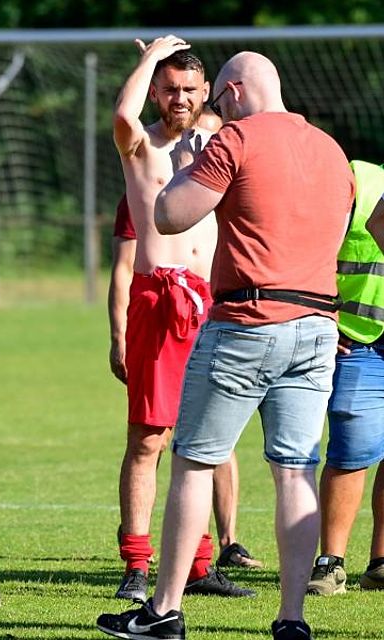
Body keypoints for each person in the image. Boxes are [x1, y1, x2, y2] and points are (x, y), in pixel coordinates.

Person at [97, 50, 354, 640]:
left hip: (246, 319)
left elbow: (168, 215)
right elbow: (336, 232)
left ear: (232, 91)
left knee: (192, 460)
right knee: (295, 470)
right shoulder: (330, 149)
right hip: (317, 326)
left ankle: (163, 611)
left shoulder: (234, 140)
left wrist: (192, 169)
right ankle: (292, 619)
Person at [107, 35, 253, 603]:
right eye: (169, 89)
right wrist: (148, 60)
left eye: (190, 89)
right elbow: (123, 112)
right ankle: (137, 565)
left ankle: (199, 564)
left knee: (206, 437)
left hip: (212, 303)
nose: (179, 98)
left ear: (206, 92)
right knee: (149, 438)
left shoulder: (222, 145)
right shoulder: (140, 147)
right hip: (156, 300)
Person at [110, 195, 262, 572]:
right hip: (162, 312)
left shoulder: (221, 186)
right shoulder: (145, 187)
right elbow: (124, 265)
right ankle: (137, 556)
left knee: (216, 436)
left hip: (214, 308)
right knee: (151, 439)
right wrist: (119, 335)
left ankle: (224, 544)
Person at [306, 161, 384, 596]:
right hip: (359, 339)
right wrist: (322, 307)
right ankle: (330, 562)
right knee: (352, 449)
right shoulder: (361, 178)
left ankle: (380, 563)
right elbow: (315, 246)